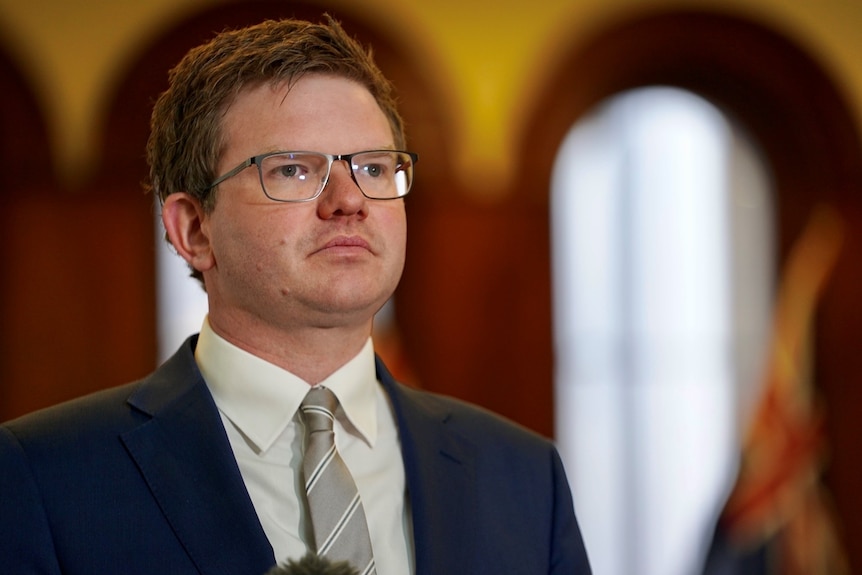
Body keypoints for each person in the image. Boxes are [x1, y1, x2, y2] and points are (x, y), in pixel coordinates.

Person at [0, 17, 591, 575]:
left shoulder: (524, 477)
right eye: (292, 170)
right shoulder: (44, 478)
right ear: (193, 230)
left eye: (376, 168)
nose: (350, 200)